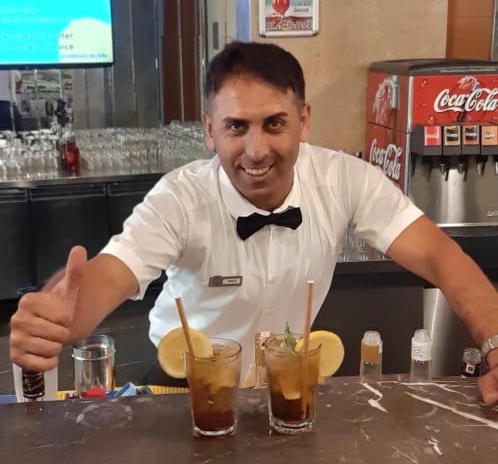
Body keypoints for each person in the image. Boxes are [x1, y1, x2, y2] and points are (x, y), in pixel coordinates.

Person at [9, 40, 498, 404]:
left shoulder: (345, 179)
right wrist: (59, 316)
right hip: (182, 385)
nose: (256, 150)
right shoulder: (180, 198)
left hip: (285, 381)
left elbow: (440, 255)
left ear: (303, 121)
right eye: (236, 127)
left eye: (274, 124)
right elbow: (111, 274)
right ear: (209, 130)